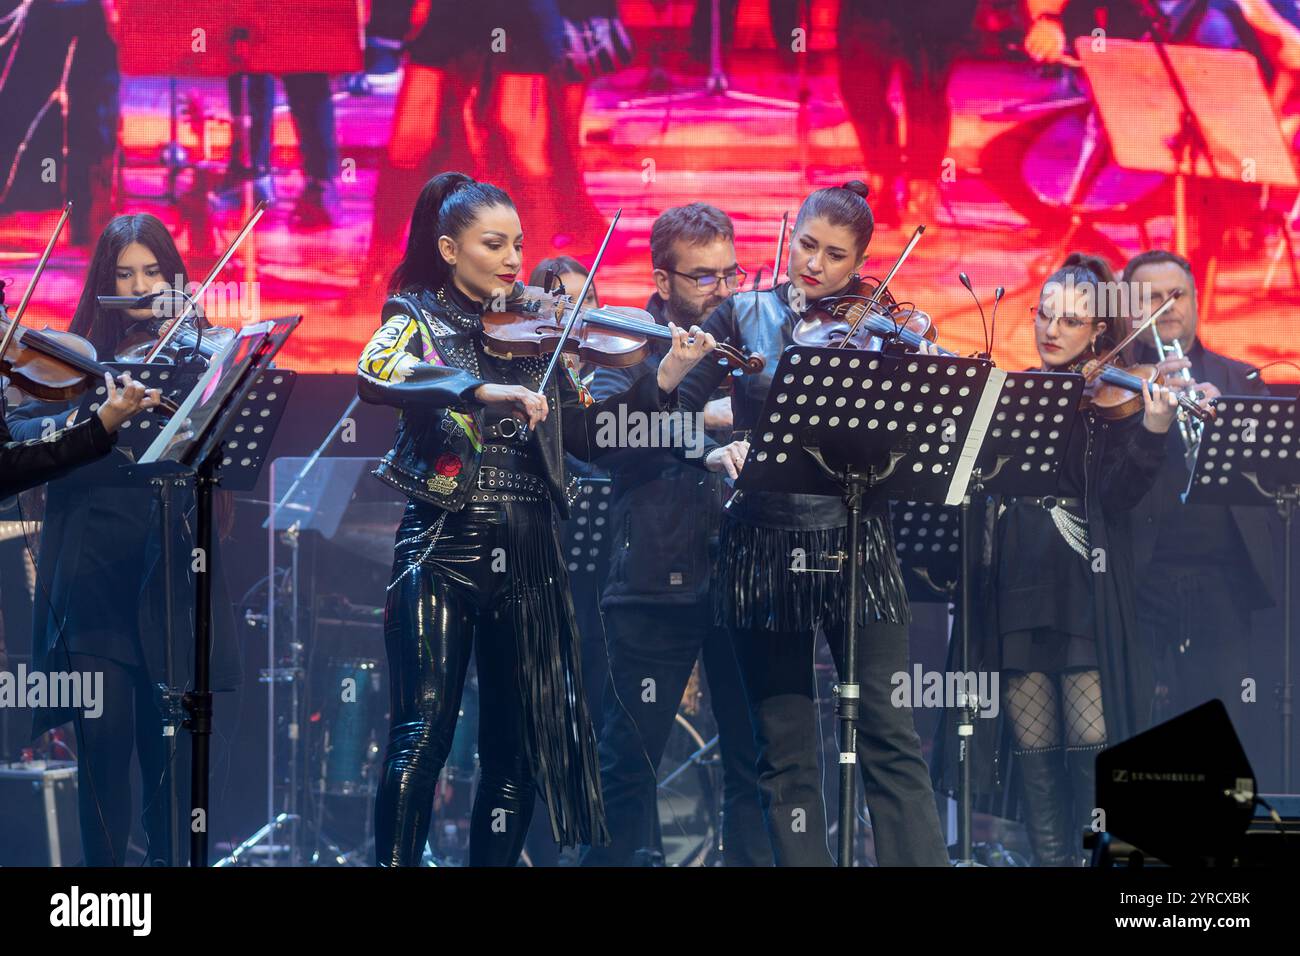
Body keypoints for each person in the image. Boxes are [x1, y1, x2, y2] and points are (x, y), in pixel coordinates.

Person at [356, 171, 716, 866]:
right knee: (421, 736)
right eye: (494, 244)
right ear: (451, 249)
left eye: (519, 244)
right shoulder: (414, 315)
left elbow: (593, 438)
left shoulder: (540, 336)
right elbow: (375, 374)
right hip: (444, 543)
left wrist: (663, 378)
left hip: (530, 553)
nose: (514, 260)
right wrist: (476, 386)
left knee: (514, 753)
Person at [671, 181, 950, 866]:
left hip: (857, 538)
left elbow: (927, 425)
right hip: (765, 540)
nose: (814, 265)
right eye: (806, 244)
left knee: (889, 732)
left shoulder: (884, 323)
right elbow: (675, 416)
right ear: (789, 232)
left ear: (859, 262)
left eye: (835, 255)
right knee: (785, 744)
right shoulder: (740, 314)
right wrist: (715, 444)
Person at [5, 213, 241, 866]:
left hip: (169, 569)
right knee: (105, 761)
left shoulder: (199, 352)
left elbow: (224, 449)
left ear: (174, 279)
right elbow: (22, 439)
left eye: (153, 273)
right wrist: (98, 413)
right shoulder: (69, 359)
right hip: (91, 581)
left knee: (173, 767)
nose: (139, 288)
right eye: (123, 274)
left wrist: (201, 363)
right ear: (102, 282)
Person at [935, 253, 1185, 866]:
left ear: (1099, 330)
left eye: (1070, 321)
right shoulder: (1014, 395)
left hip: (1084, 591)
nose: (1051, 330)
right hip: (1018, 587)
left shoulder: (1115, 403)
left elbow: (1122, 499)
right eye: (1044, 315)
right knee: (1037, 763)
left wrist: (1153, 430)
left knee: (1089, 757)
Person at [580, 203, 770, 867]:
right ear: (662, 282)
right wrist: (688, 408)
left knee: (755, 764)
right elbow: (605, 442)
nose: (722, 291)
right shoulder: (624, 343)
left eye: (731, 274)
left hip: (744, 571)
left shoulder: (757, 338)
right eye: (703, 279)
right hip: (654, 574)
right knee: (627, 761)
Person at [1121, 250, 1276, 752]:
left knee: (1222, 724)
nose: (1167, 307)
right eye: (1150, 297)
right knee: (1142, 727)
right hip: (1140, 580)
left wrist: (1227, 421)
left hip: (1223, 582)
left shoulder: (1241, 380)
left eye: (1178, 295)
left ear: (1196, 302)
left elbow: (1273, 482)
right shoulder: (1114, 384)